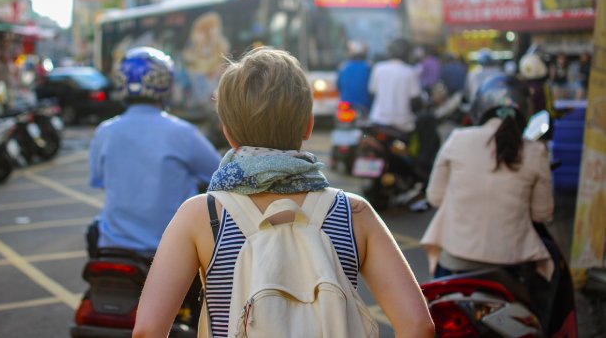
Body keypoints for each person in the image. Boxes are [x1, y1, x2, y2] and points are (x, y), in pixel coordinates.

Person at [131, 48, 434, 338]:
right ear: (308, 126)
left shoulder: (202, 215)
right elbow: (418, 326)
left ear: (228, 133)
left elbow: (147, 331)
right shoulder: (354, 213)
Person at [88, 47, 221, 255]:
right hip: (169, 251)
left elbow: (98, 180)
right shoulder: (182, 132)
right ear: (166, 85)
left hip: (112, 247)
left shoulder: (105, 131)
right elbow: (218, 174)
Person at [421, 74, 553, 280]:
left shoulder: (458, 139)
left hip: (454, 262)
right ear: (526, 111)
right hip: (511, 266)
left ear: (480, 107)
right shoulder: (535, 151)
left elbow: (435, 198)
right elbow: (541, 214)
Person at [367, 38, 422, 135]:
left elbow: (372, 93)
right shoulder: (410, 72)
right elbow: (415, 100)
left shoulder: (378, 68)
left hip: (379, 120)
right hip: (403, 124)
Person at [336, 40, 372, 115]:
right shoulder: (368, 67)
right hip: (364, 104)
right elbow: (371, 88)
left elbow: (338, 86)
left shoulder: (343, 67)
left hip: (345, 104)